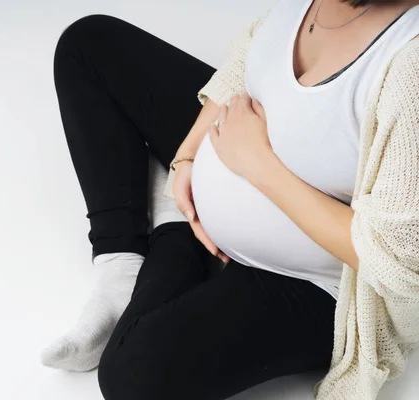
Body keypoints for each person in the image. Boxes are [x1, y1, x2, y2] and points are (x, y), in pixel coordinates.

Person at [42, 0, 419, 398]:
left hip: (314, 280)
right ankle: (120, 261)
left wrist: (258, 163)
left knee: (132, 377)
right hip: (235, 143)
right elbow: (250, 56)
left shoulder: (410, 67)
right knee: (89, 44)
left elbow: (401, 259)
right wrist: (186, 158)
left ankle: (174, 234)